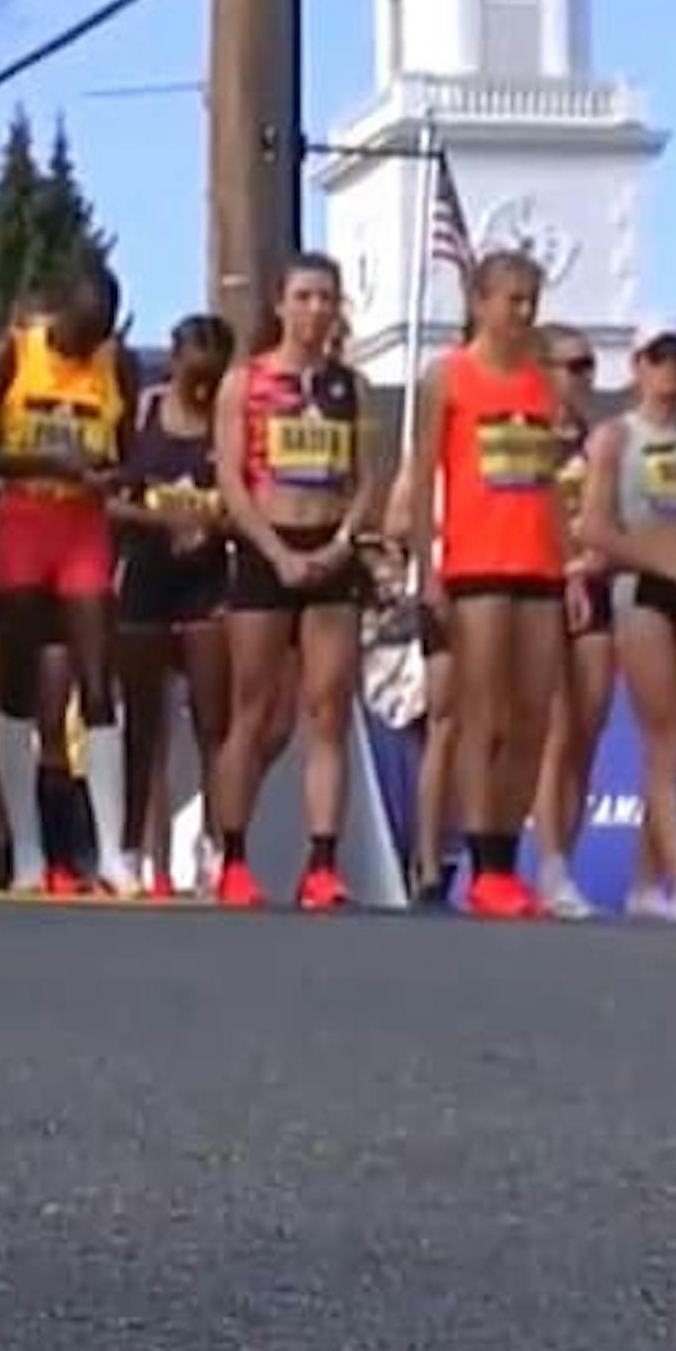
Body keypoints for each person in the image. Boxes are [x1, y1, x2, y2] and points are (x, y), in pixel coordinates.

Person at [386, 250, 568, 922]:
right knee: (480, 713)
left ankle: (506, 853)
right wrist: (426, 570)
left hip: (540, 563)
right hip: (476, 563)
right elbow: (427, 471)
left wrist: (569, 560)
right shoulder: (450, 378)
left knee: (533, 717)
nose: (522, 313)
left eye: (531, 300)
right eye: (511, 299)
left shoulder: (541, 385)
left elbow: (547, 481)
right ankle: (481, 860)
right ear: (480, 300)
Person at [0, 262, 145, 895]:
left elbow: (128, 454)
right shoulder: (14, 354)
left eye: (98, 333)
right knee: (18, 684)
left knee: (98, 681)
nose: (86, 344)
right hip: (25, 518)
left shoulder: (116, 365)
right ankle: (26, 849)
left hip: (83, 527)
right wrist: (46, 458)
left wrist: (108, 476)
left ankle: (111, 852)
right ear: (59, 313)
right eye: (79, 331)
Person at [211, 256, 370, 910]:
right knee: (251, 709)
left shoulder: (348, 386)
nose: (315, 310)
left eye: (326, 298)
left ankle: (324, 862)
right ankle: (234, 857)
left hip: (329, 550)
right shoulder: (245, 383)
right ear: (280, 304)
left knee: (327, 711)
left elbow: (365, 478)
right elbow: (230, 479)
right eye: (303, 296)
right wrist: (274, 551)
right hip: (264, 546)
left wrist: (340, 543)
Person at [573, 321, 676, 923]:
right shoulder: (617, 437)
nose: (669, 370)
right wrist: (667, 565)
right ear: (638, 366)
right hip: (642, 591)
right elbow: (592, 527)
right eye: (657, 358)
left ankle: (646, 886)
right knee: (664, 734)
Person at [115, 312, 231, 898]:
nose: (203, 388)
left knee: (213, 723)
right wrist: (164, 521)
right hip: (147, 573)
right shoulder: (144, 413)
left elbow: (244, 504)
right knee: (147, 726)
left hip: (205, 579)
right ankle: (144, 855)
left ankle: (216, 848)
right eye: (194, 376)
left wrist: (211, 526)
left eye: (214, 377)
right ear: (176, 362)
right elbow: (109, 501)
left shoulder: (229, 424)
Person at [527, 327, 611, 918]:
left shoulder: (598, 440)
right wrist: (566, 570)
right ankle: (548, 862)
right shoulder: (528, 434)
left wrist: (594, 562)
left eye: (589, 367)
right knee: (555, 729)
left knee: (589, 726)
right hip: (542, 584)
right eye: (572, 366)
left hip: (597, 581)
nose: (583, 379)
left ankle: (567, 863)